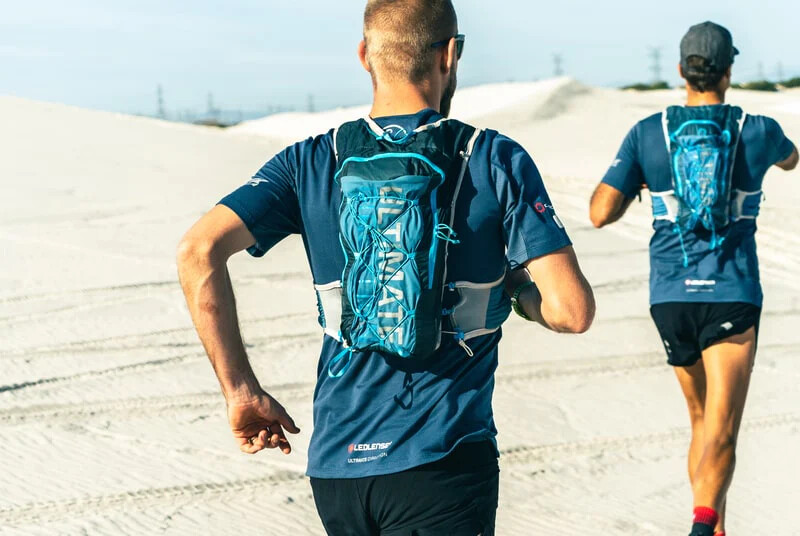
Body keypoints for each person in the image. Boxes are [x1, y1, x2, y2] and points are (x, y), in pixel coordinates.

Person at [177, 0, 595, 534]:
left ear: (364, 55)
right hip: (441, 460)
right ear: (450, 54)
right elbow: (571, 312)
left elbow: (198, 252)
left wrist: (240, 391)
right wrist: (515, 291)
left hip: (338, 470)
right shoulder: (492, 157)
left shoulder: (309, 160)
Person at [589, 21, 798, 536]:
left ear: (682, 70)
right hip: (731, 294)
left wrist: (644, 182)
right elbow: (792, 159)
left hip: (670, 299)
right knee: (723, 430)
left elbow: (599, 212)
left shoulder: (648, 133)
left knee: (701, 423)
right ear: (729, 71)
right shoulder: (758, 129)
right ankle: (703, 528)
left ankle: (713, 525)